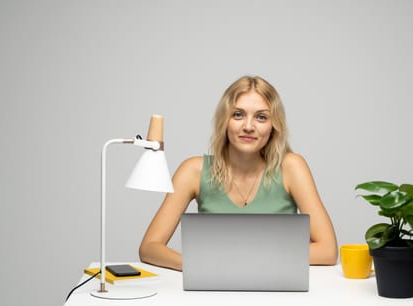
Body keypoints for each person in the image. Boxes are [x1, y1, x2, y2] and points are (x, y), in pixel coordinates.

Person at [139, 76, 338, 271]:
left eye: (261, 117)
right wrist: (199, 266)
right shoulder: (193, 170)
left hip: (276, 292)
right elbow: (149, 247)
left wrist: (241, 262)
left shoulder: (291, 167)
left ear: (273, 126)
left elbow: (328, 251)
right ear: (224, 121)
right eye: (238, 115)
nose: (249, 127)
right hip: (212, 289)